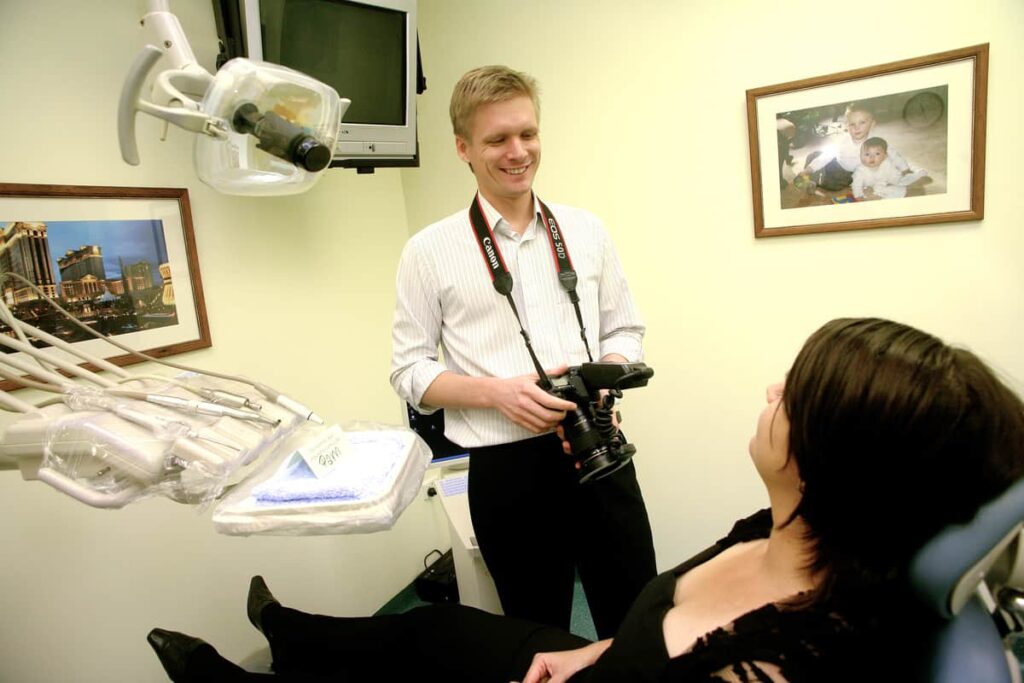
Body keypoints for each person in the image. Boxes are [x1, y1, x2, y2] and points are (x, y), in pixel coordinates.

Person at [146, 317, 1024, 682]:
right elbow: (412, 368)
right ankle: (291, 632)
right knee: (428, 628)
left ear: (833, 464)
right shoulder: (783, 526)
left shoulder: (775, 662)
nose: (768, 390)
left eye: (790, 396)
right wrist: (593, 653)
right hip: (602, 660)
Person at [389, 65, 656, 636]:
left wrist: (604, 373)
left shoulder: (587, 231)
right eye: (497, 140)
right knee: (537, 632)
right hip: (508, 473)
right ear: (463, 147)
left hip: (598, 445)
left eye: (527, 134)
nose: (518, 152)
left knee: (635, 619)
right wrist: (497, 394)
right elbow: (409, 370)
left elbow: (625, 330)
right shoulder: (428, 250)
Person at [800, 104, 912, 192]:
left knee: (882, 171)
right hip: (838, 166)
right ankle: (811, 180)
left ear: (872, 124)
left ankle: (819, 180)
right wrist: (810, 169)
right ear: (846, 126)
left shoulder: (876, 141)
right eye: (852, 124)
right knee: (814, 156)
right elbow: (826, 156)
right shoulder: (842, 141)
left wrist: (905, 169)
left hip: (855, 173)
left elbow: (892, 153)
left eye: (862, 122)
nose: (857, 127)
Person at [851, 137, 928, 200]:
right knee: (878, 192)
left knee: (898, 184)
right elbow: (856, 185)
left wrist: (898, 182)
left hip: (886, 184)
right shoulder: (860, 171)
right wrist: (858, 196)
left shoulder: (886, 164)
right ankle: (906, 190)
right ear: (860, 156)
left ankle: (915, 179)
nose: (871, 157)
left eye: (877, 154)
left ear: (885, 156)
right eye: (867, 154)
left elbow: (895, 176)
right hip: (872, 188)